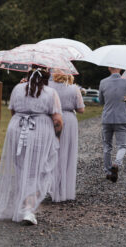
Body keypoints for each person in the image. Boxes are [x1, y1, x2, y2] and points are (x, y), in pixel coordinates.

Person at [0, 66, 63, 225]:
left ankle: (22, 206)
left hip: (17, 129)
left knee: (22, 168)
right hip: (39, 131)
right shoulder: (50, 93)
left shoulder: (17, 89)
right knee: (37, 170)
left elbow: (13, 112)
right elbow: (57, 120)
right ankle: (28, 209)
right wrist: (57, 136)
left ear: (27, 76)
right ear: (46, 79)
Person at [48, 73, 85, 202]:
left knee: (53, 152)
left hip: (52, 119)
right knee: (67, 153)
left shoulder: (48, 86)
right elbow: (81, 109)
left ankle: (52, 188)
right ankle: (65, 190)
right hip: (69, 120)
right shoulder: (74, 88)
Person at [99, 67, 126, 182]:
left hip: (107, 118)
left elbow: (101, 101)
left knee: (107, 147)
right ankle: (116, 164)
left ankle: (108, 171)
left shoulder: (103, 82)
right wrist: (125, 99)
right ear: (120, 68)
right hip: (121, 118)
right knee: (122, 146)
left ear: (109, 68)